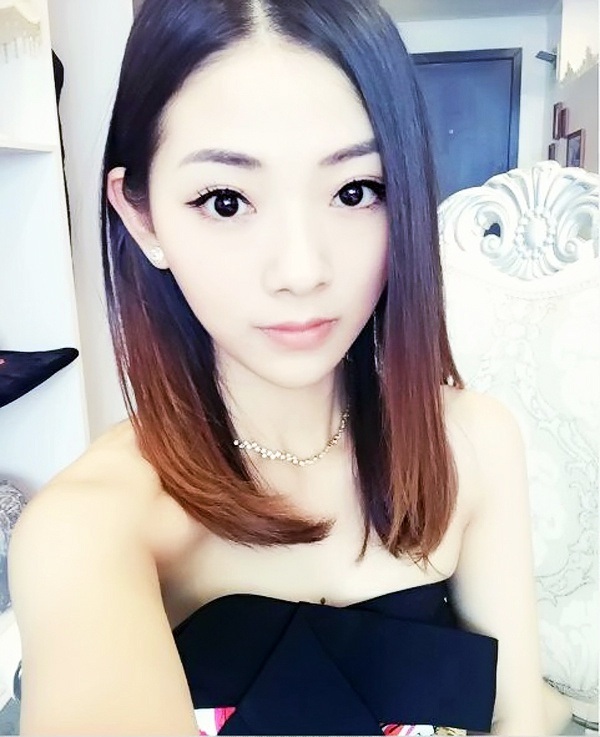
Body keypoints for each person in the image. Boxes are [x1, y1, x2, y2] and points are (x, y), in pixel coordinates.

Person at [8, 0, 572, 734]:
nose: (302, 271)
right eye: (225, 200)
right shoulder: (89, 529)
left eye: (355, 191)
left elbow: (519, 717)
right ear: (143, 218)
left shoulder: (472, 442)